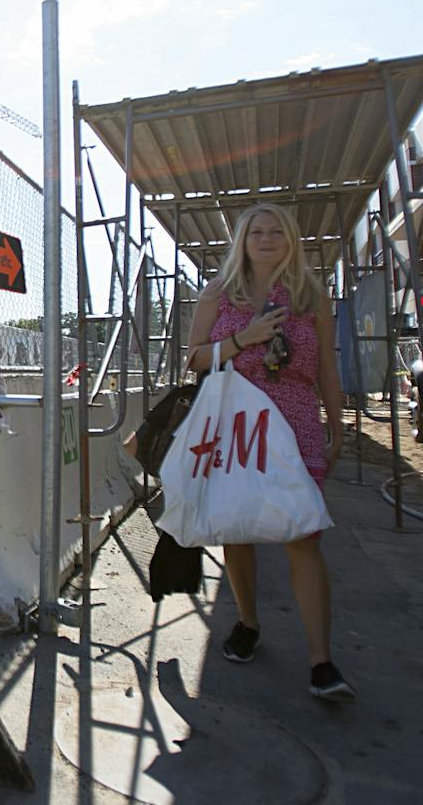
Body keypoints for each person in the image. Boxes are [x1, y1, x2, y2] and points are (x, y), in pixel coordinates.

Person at [184, 202, 355, 701]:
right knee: (237, 530)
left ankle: (321, 661)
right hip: (235, 421)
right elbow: (194, 360)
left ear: (291, 239)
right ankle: (248, 623)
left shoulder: (310, 296)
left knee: (303, 534)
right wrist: (244, 338)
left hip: (295, 419)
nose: (265, 238)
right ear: (241, 241)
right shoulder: (219, 293)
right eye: (255, 231)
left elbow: (326, 368)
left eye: (275, 231)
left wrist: (338, 423)